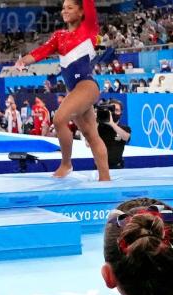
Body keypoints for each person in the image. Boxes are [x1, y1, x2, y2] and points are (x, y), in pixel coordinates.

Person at [15, 0, 111, 180]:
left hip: (87, 85)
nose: (64, 11)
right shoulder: (59, 36)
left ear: (81, 12)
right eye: (63, 7)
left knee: (59, 119)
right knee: (91, 135)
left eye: (70, 7)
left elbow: (89, 3)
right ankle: (105, 179)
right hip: (74, 91)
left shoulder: (89, 28)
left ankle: (66, 164)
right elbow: (41, 52)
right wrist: (23, 61)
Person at [97, 99, 130, 170]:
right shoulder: (99, 128)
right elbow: (88, 144)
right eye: (112, 109)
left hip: (117, 167)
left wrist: (112, 123)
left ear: (121, 113)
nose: (114, 112)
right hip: (99, 168)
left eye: (117, 110)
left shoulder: (125, 128)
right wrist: (95, 122)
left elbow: (126, 137)